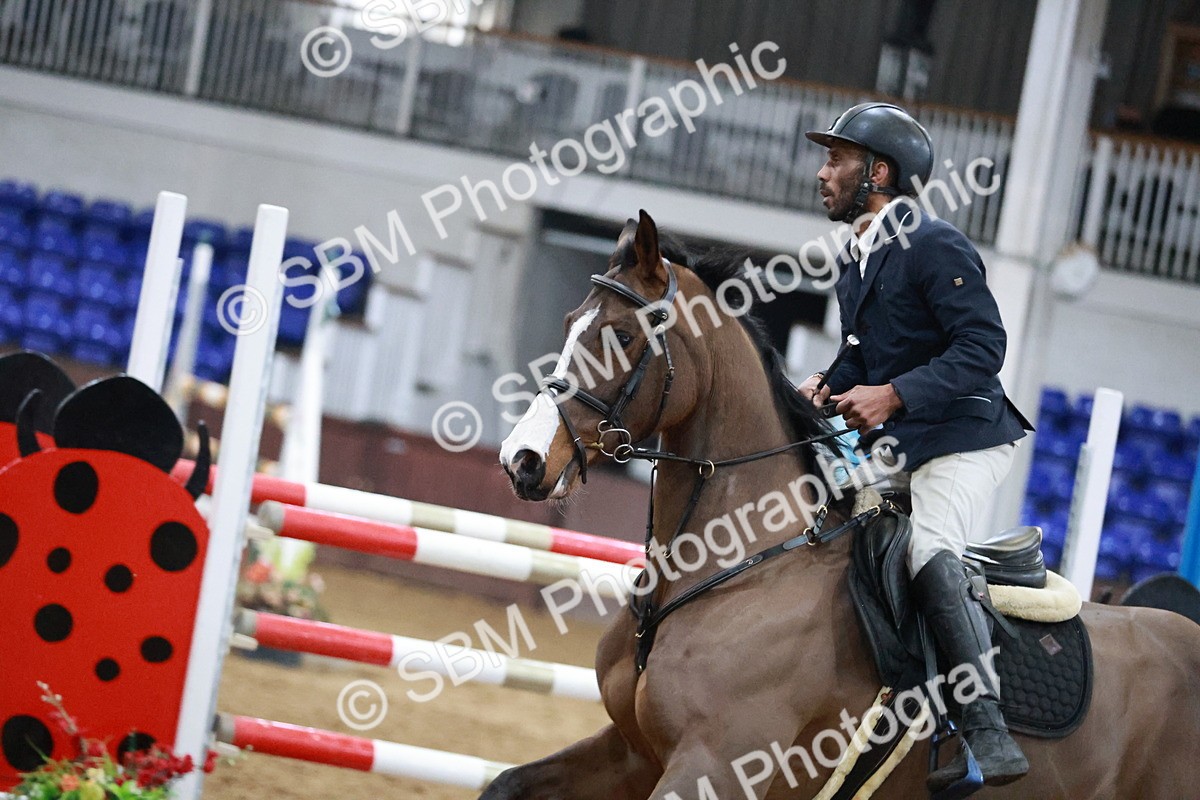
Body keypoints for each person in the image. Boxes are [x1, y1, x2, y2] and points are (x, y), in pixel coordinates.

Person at [797, 102, 1035, 791]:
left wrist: (892, 394)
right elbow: (862, 350)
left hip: (965, 437)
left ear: (879, 173)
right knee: (823, 514)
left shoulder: (934, 245)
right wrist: (826, 380)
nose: (822, 173)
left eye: (836, 161)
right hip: (906, 440)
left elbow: (983, 349)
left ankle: (983, 726)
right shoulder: (858, 254)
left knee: (930, 548)